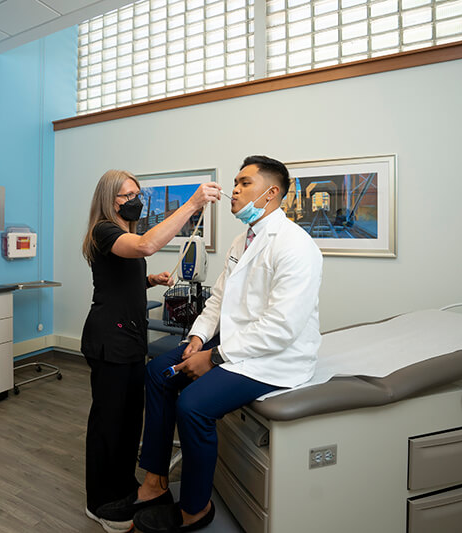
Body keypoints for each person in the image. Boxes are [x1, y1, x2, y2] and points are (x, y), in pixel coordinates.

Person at [95, 156, 323, 533]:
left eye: (244, 183)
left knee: (194, 405)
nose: (234, 190)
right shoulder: (242, 239)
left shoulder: (296, 246)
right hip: (237, 344)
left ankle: (195, 508)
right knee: (158, 372)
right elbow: (217, 300)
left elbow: (282, 328)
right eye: (234, 182)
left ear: (271, 193)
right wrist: (197, 337)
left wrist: (214, 356)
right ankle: (154, 482)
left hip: (276, 358)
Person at [81, 169, 222, 533]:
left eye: (137, 193)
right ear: (109, 200)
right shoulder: (104, 231)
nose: (135, 201)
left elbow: (116, 280)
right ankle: (99, 501)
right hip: (108, 340)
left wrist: (150, 280)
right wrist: (192, 203)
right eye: (126, 195)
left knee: (129, 422)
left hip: (127, 338)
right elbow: (146, 246)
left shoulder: (123, 233)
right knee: (108, 423)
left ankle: (125, 486)